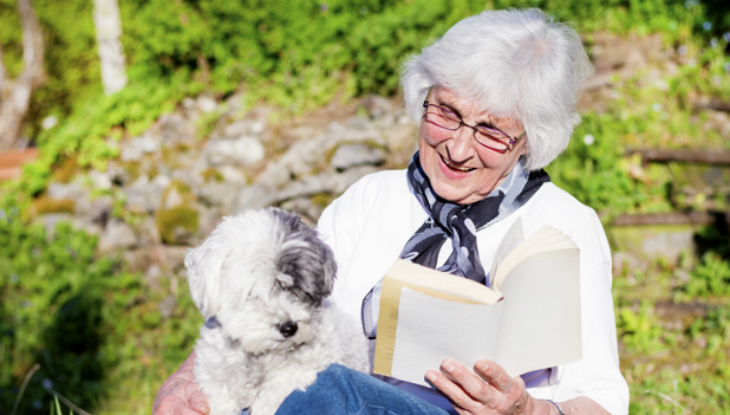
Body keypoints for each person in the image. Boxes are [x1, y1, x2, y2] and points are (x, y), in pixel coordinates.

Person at [153, 8, 629, 415]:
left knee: (325, 390)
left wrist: (528, 410)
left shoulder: (565, 225)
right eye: (445, 112)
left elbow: (603, 400)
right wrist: (185, 380)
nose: (458, 148)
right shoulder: (370, 198)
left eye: (492, 132)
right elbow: (275, 316)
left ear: (530, 142)